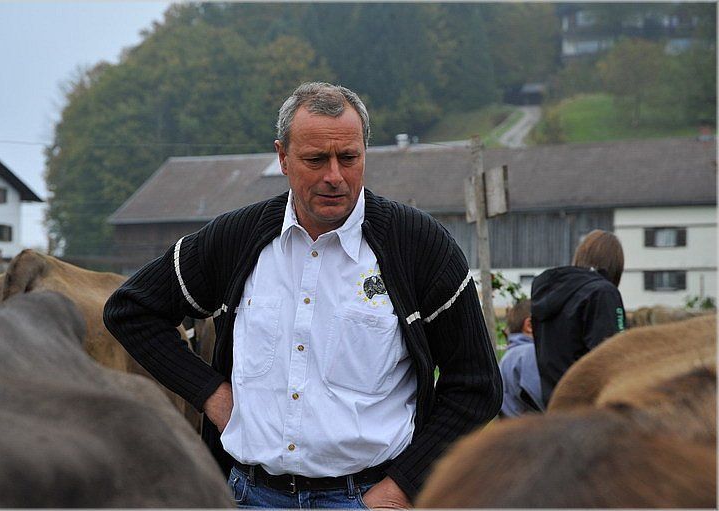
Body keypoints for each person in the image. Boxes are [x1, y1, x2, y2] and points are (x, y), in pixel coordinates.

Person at [103, 82, 502, 509]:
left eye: (348, 158)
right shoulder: (237, 239)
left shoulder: (419, 246)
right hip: (248, 495)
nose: (334, 176)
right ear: (282, 158)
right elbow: (131, 309)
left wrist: (402, 487)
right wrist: (211, 394)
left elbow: (476, 386)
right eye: (315, 160)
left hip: (366, 498)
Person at [531, 229, 626, 405]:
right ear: (615, 265)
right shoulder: (603, 293)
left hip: (555, 401)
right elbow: (612, 356)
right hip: (590, 405)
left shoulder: (548, 290)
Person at [498, 299, 544, 417]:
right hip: (533, 425)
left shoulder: (507, 357)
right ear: (530, 326)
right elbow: (543, 397)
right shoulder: (529, 353)